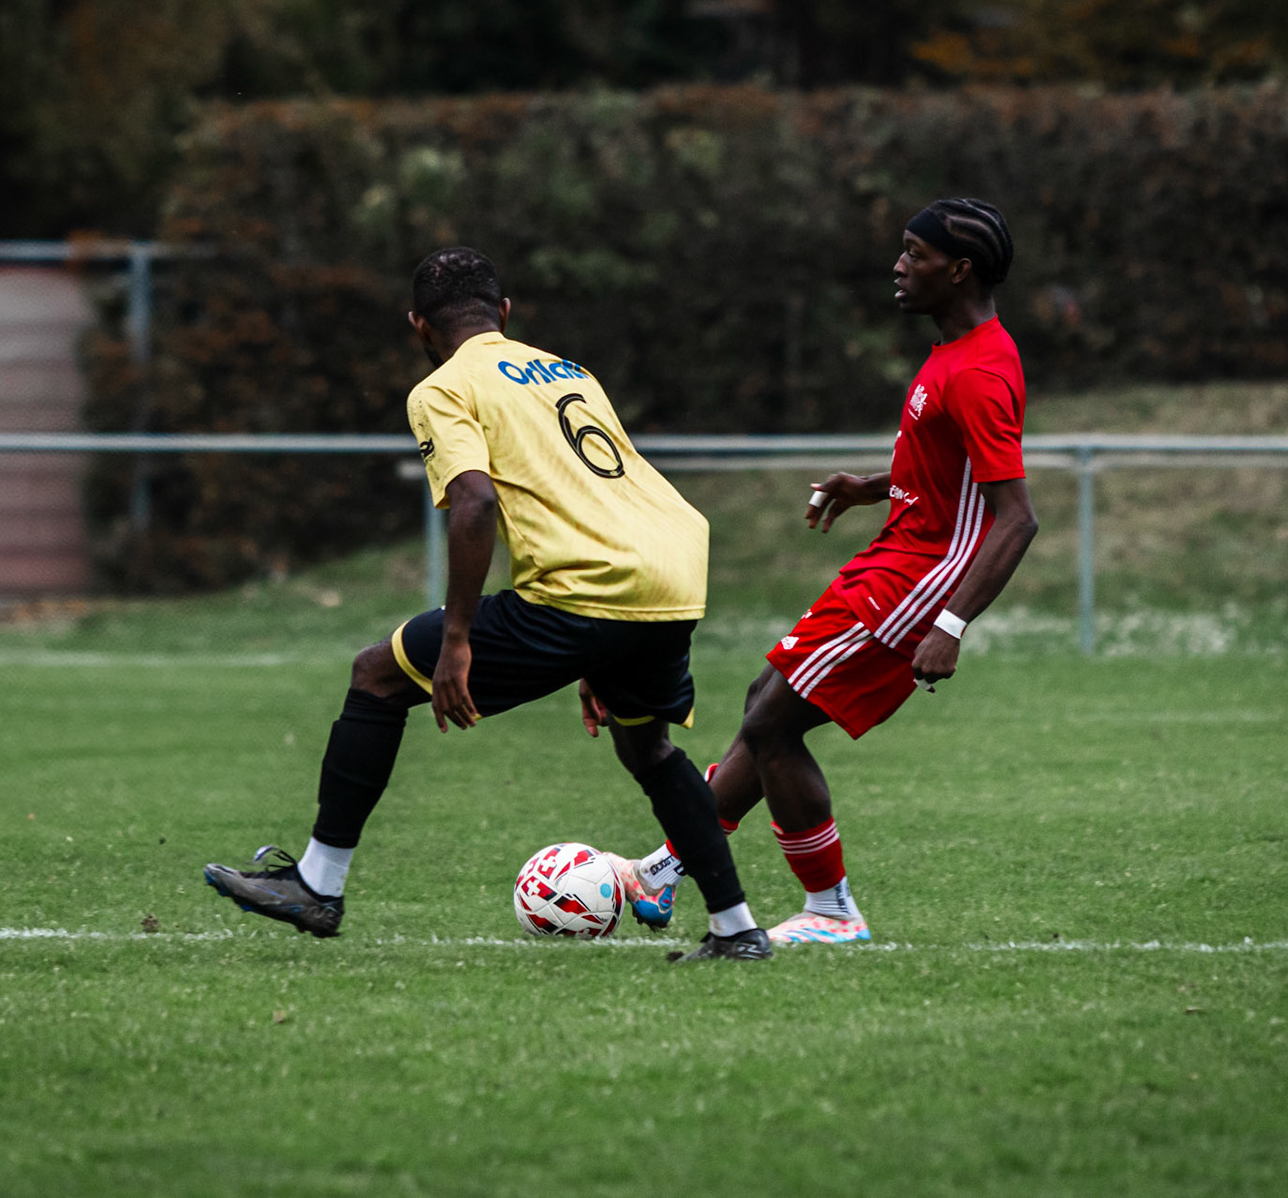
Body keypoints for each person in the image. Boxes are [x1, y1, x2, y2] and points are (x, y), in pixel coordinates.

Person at [204, 247, 770, 962]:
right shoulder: (572, 371)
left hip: (584, 589)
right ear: (504, 313)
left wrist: (459, 639)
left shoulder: (443, 387)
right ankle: (736, 929)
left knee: (377, 675)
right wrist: (602, 649)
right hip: (672, 576)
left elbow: (474, 500)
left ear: (418, 328)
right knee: (649, 749)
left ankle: (318, 885)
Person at [610, 198, 1039, 946]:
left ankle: (832, 912)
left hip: (921, 581)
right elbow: (951, 470)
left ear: (959, 269)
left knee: (774, 722)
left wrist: (950, 623)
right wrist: (872, 486)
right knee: (764, 701)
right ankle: (666, 869)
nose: (899, 267)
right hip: (892, 558)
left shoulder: (977, 370)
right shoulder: (954, 352)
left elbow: (1017, 516)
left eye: (915, 253)